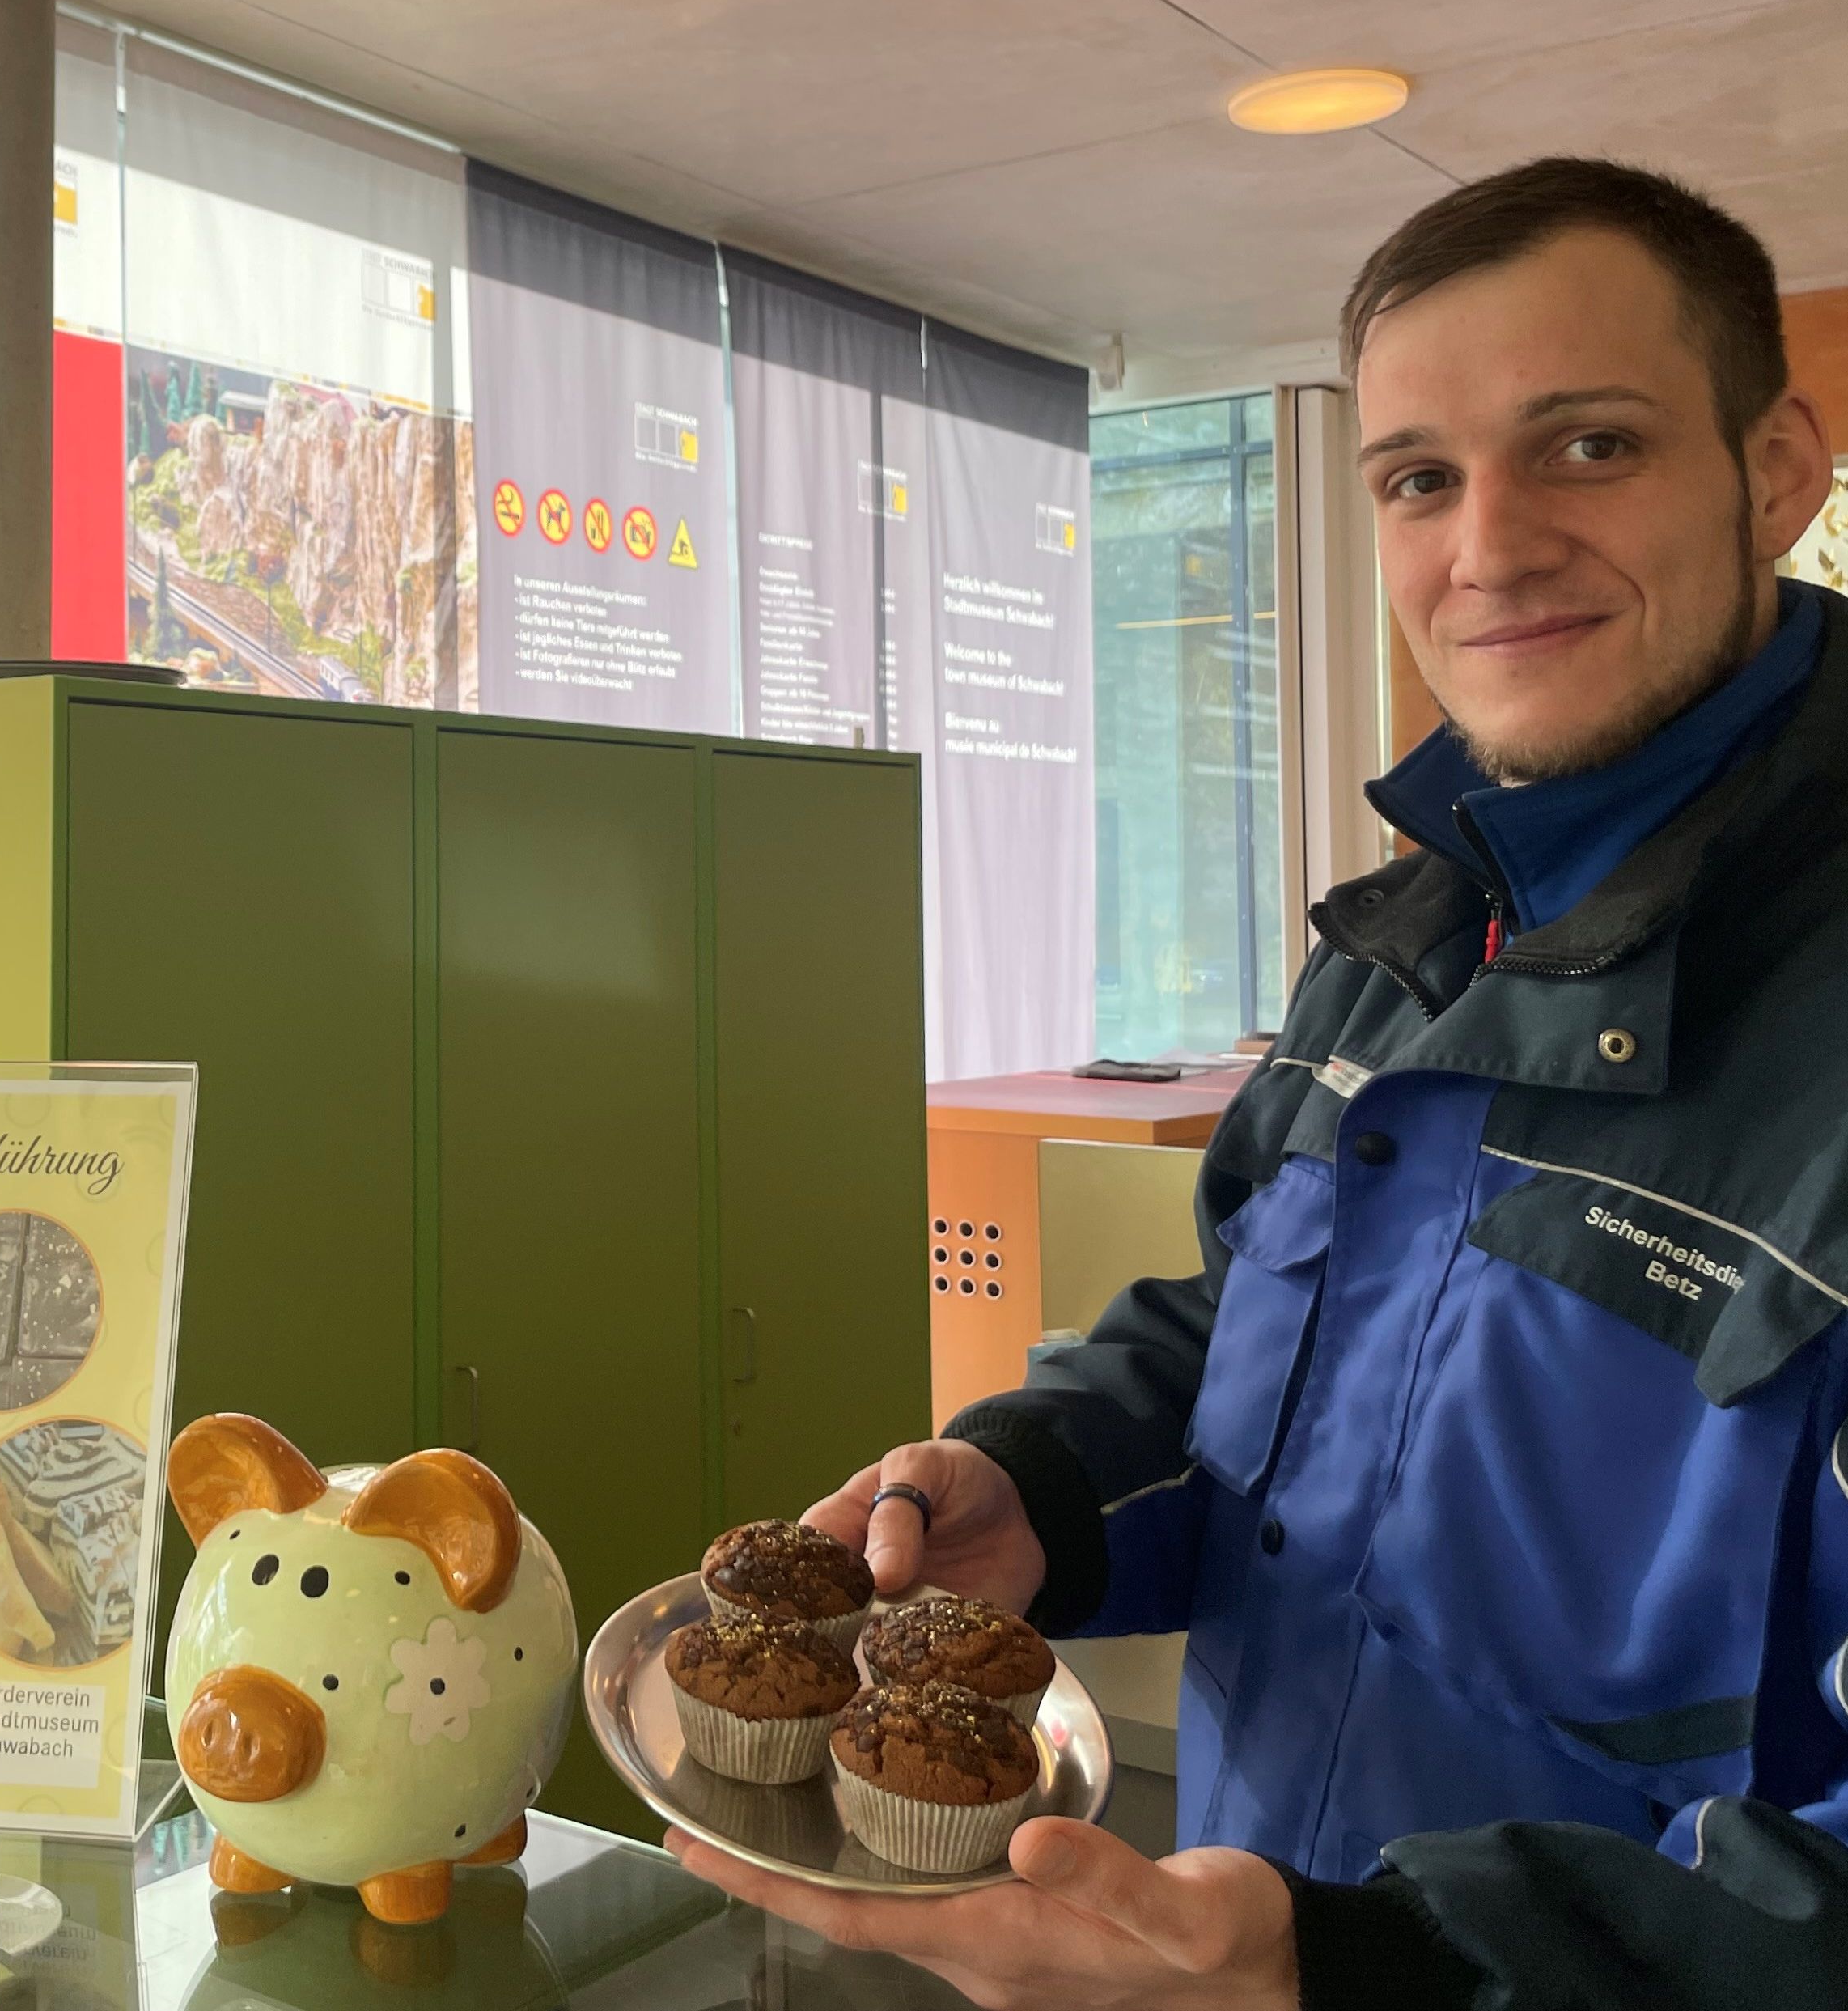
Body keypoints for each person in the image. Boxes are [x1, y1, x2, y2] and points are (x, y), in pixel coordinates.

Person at [669, 158, 1848, 2008]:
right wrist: (1037, 1488)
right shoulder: (1402, 931)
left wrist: (1372, 1971)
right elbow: (1257, 1336)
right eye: (1419, 478)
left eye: (1592, 446)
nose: (1491, 546)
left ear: (1778, 468)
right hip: (1242, 1904)